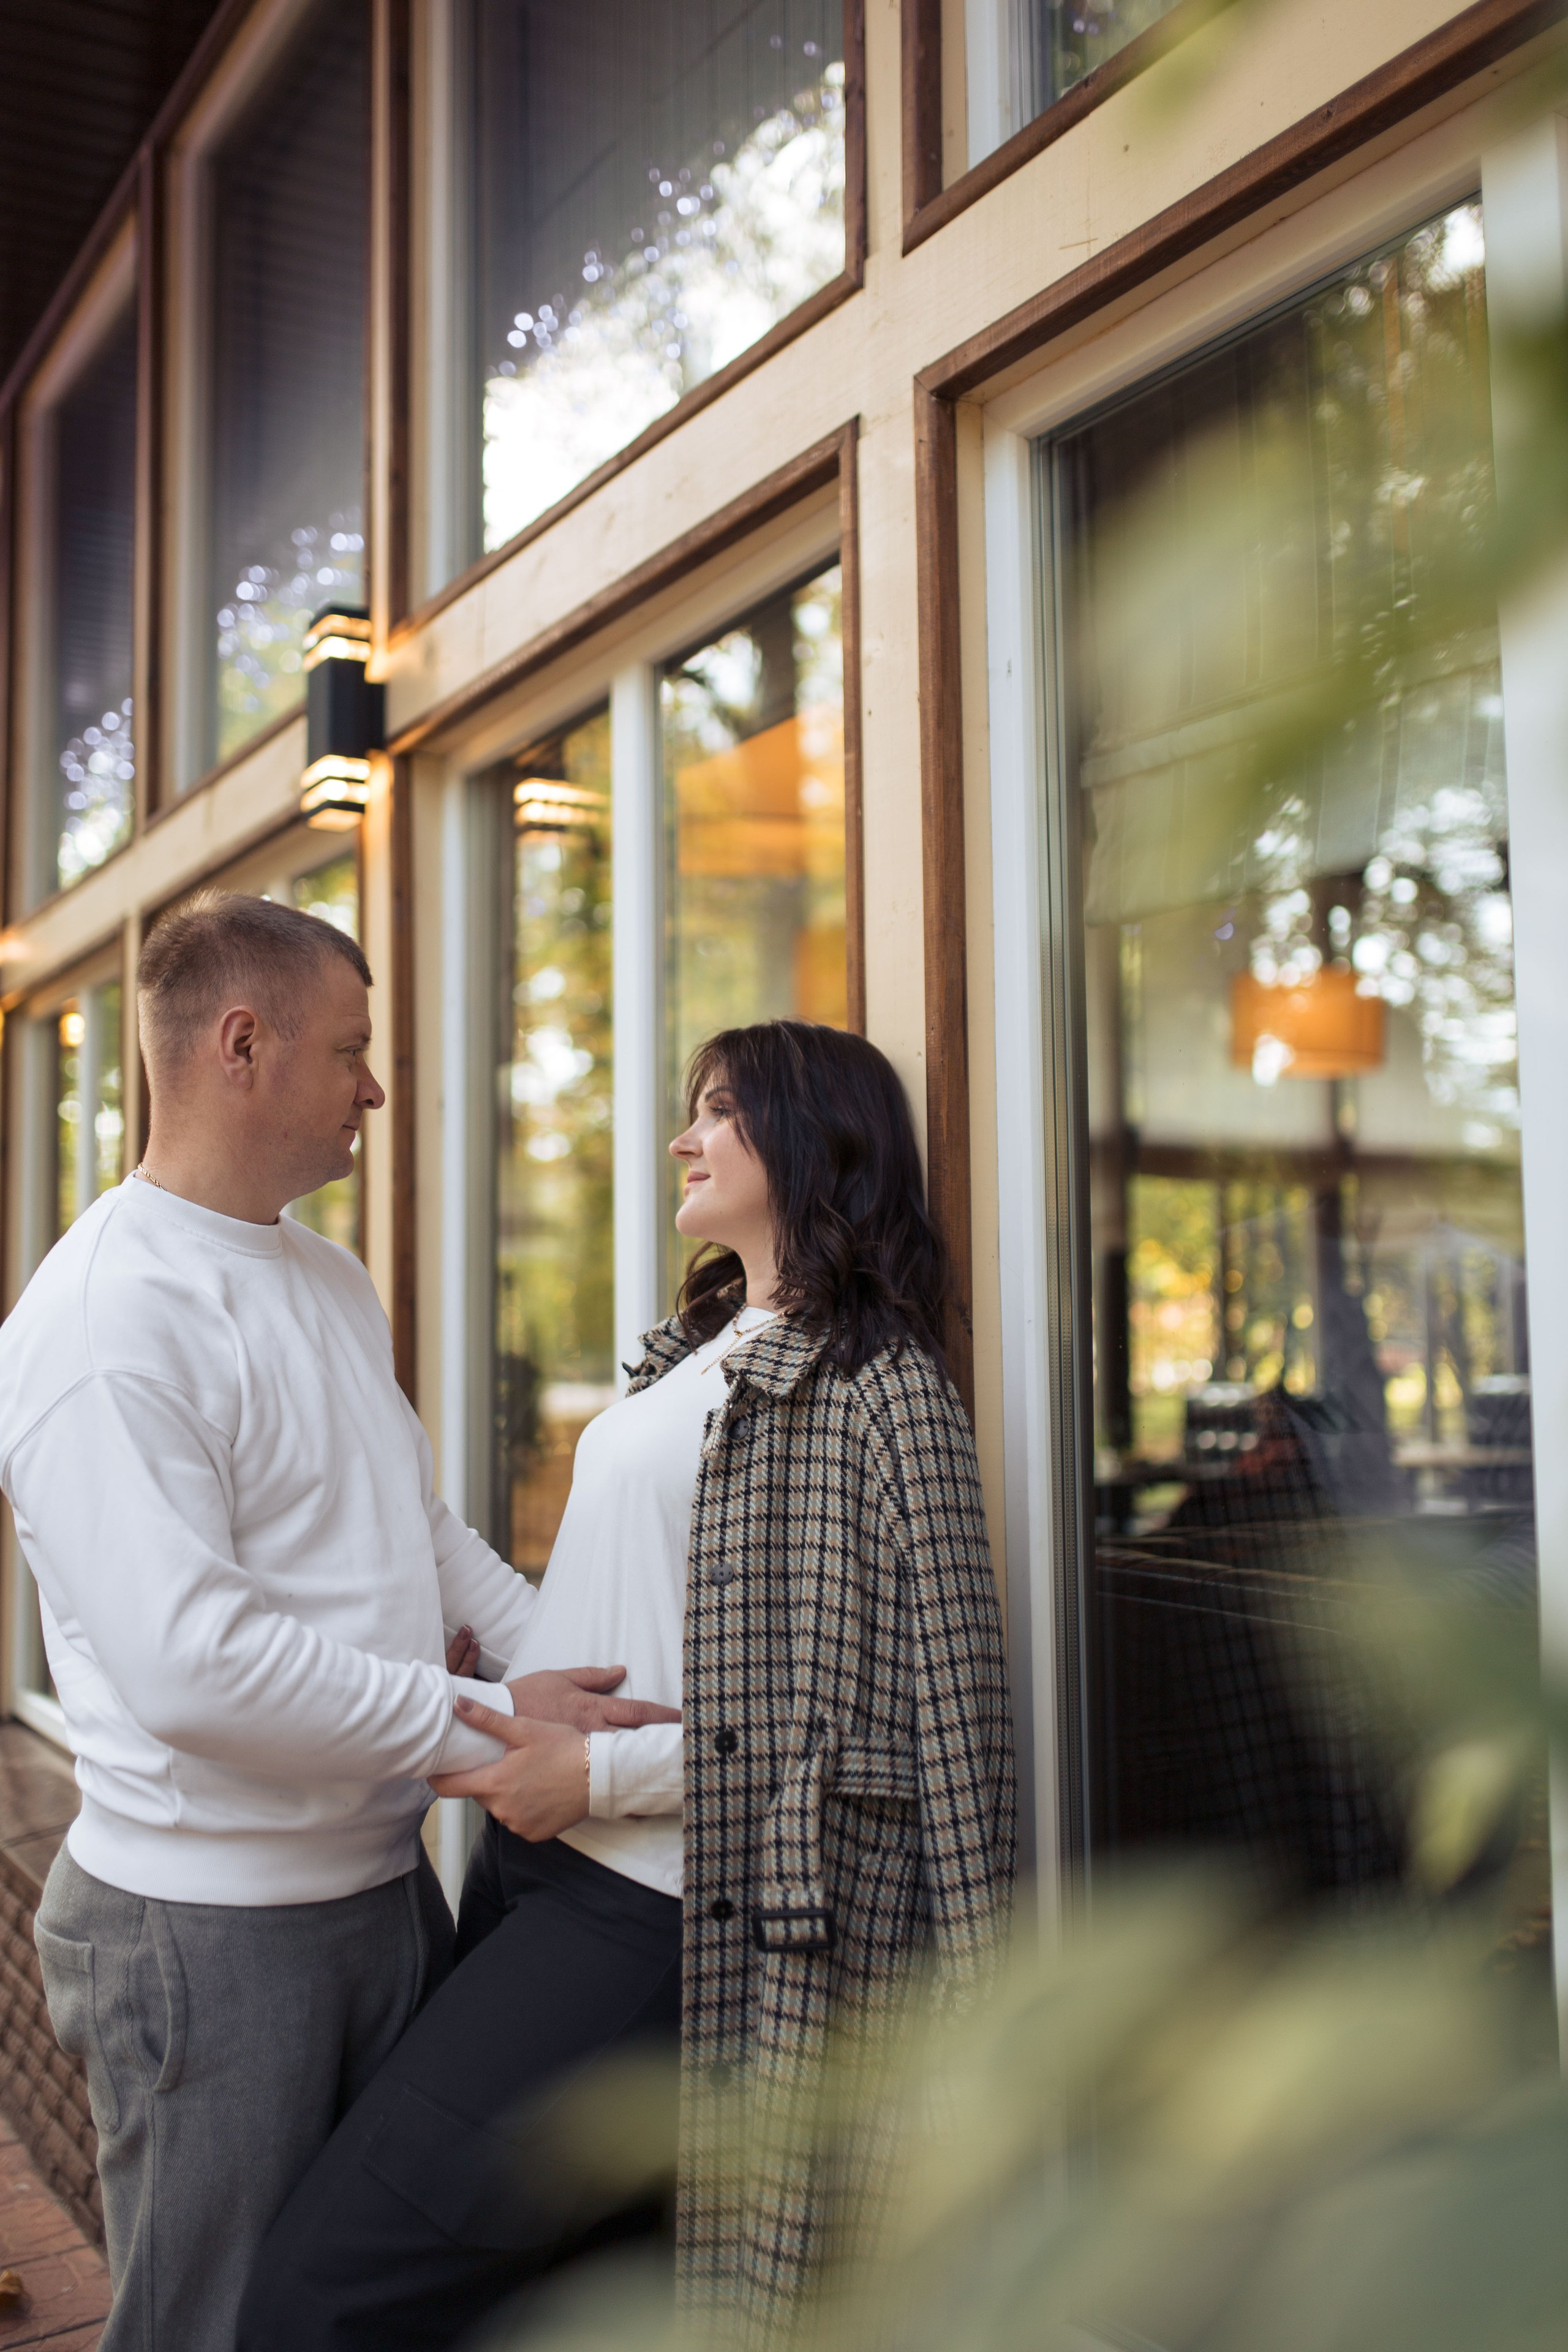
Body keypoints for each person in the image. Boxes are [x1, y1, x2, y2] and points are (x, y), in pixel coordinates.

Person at [239, 1017, 1016, 2350]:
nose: (682, 1136)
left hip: (655, 1910)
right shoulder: (701, 1351)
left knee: (318, 2296)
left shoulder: (881, 1390)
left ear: (813, 1137)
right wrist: (510, 1685)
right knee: (550, 2303)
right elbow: (650, 1627)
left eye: (719, 1110)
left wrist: (594, 1771)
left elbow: (909, 1738)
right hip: (534, 1871)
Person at [0, 893, 675, 2352]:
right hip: (206, 1937)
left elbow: (411, 1528)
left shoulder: (323, 1273)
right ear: (243, 1046)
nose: (375, 1087)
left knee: (368, 2314)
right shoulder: (106, 1321)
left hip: (378, 1896)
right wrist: (479, 1728)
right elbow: (194, 1664)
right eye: (351, 1050)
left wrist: (543, 1654)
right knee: (218, 2326)